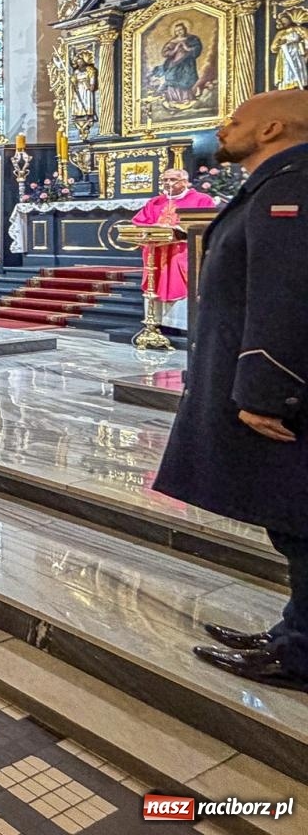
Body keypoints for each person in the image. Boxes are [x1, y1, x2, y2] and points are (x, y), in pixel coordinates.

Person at [154, 90, 308, 693]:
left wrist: (268, 388)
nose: (221, 128)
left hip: (281, 394)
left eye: (234, 120)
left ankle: (300, 652)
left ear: (271, 128)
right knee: (290, 522)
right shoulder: (272, 183)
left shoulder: (290, 186)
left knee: (298, 520)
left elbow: (287, 292)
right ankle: (292, 630)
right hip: (261, 382)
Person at [130, 168, 218, 309]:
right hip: (156, 253)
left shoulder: (201, 200)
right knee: (155, 287)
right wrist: (155, 226)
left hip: (183, 252)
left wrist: (180, 230)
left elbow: (208, 226)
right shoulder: (155, 202)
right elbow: (139, 223)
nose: (168, 183)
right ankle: (158, 323)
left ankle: (181, 326)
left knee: (183, 286)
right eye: (165, 180)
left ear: (185, 182)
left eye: (172, 179)